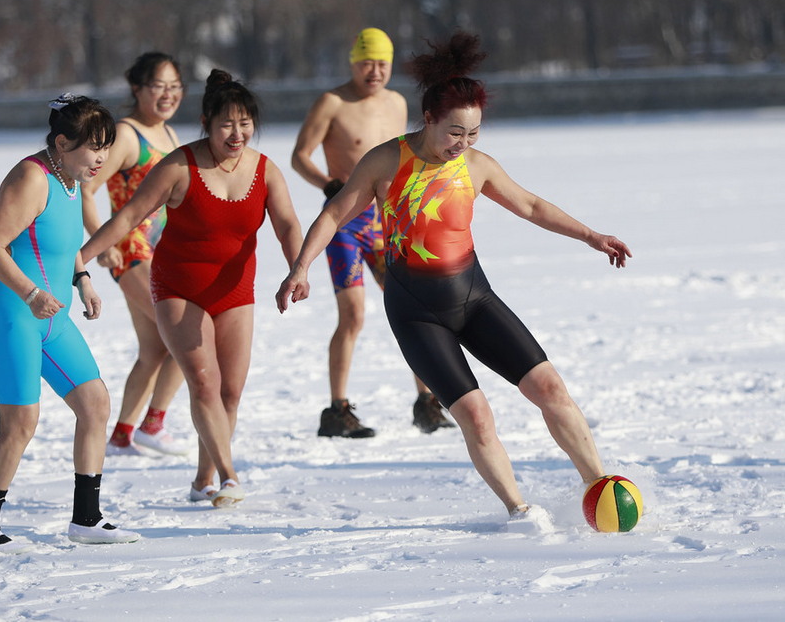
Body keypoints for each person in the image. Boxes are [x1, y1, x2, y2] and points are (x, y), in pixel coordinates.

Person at [276, 32, 634, 521]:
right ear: (427, 119)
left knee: (550, 388)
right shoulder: (387, 161)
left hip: (474, 297)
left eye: (473, 134)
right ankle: (520, 513)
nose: (462, 145)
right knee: (476, 416)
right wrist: (300, 268)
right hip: (416, 312)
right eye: (454, 133)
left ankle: (599, 484)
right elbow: (335, 214)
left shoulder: (476, 166)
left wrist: (591, 236)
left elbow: (530, 205)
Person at [82, 69, 303, 507]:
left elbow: (288, 224)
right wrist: (81, 258)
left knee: (230, 392)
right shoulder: (179, 165)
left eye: (244, 124)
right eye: (226, 124)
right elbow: (128, 218)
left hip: (235, 290)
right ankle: (229, 476)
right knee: (203, 383)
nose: (237, 133)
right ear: (206, 122)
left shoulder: (264, 169)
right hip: (178, 288)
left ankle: (203, 479)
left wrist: (298, 268)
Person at [0, 94, 140, 552]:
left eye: (107, 145)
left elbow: (63, 246)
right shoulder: (32, 177)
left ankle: (86, 518)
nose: (102, 157)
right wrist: (31, 293)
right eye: (93, 147)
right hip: (13, 315)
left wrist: (82, 279)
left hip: (53, 316)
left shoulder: (73, 177)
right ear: (62, 143)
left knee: (95, 403)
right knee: (21, 422)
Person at [291, 27, 454, 438]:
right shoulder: (333, 102)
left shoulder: (397, 103)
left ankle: (427, 402)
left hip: (390, 223)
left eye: (382, 63)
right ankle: (337, 410)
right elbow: (299, 157)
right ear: (353, 62)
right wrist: (330, 185)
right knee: (353, 315)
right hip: (345, 223)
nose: (375, 70)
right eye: (367, 62)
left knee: (415, 309)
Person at [82, 52, 187, 457]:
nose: (167, 94)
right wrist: (102, 242)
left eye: (174, 86)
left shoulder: (172, 135)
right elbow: (88, 190)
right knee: (185, 331)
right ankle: (153, 424)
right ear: (137, 89)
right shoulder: (127, 135)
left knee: (155, 349)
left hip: (164, 252)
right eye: (158, 86)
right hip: (131, 252)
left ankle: (123, 434)